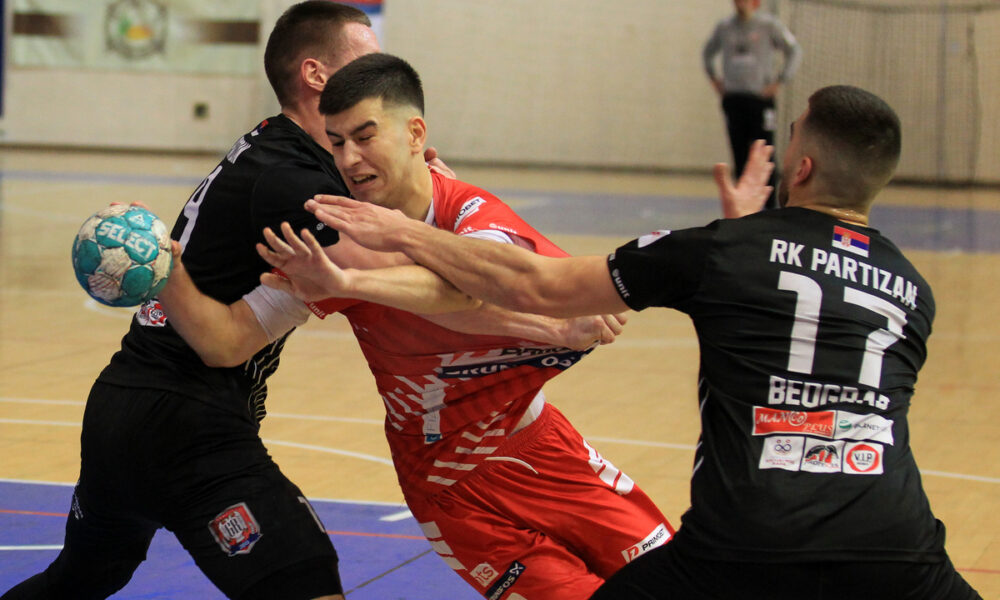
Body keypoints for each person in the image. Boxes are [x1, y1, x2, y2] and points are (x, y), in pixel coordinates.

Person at [298, 85, 982, 599]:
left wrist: (401, 233)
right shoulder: (913, 289)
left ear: (798, 169)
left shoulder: (722, 252)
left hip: (748, 537)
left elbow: (536, 286)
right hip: (895, 538)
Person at [0, 4, 471, 599]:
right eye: (366, 57)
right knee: (305, 580)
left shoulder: (279, 153)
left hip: (125, 405)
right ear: (316, 75)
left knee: (82, 578)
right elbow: (428, 282)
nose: (381, 73)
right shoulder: (294, 181)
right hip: (188, 421)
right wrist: (447, 210)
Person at [256, 52, 674, 600]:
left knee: (681, 582)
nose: (350, 158)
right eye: (336, 143)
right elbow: (235, 335)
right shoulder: (338, 241)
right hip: (448, 484)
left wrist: (367, 266)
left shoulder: (471, 211)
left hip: (543, 448)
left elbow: (477, 287)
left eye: (365, 136)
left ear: (415, 134)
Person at [703, 0, 802, 209]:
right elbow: (707, 53)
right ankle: (743, 203)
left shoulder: (768, 25)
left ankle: (770, 206)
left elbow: (794, 50)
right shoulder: (725, 27)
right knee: (739, 152)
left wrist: (780, 80)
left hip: (760, 100)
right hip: (734, 99)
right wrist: (715, 79)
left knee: (765, 151)